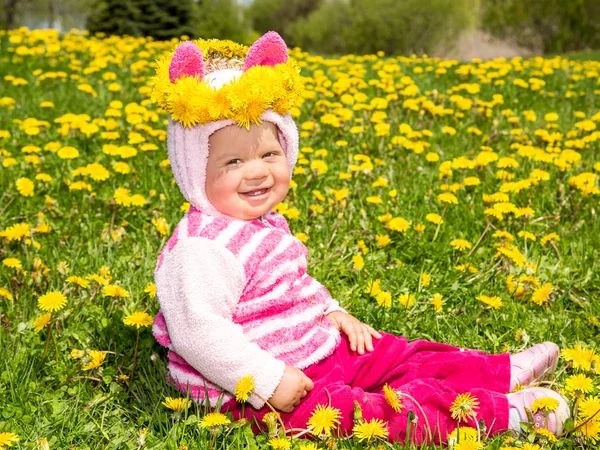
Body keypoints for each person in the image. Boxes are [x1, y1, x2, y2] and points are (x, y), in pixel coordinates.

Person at [150, 31, 570, 443]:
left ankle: (497, 372)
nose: (257, 171)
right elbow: (197, 333)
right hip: (249, 392)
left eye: (269, 154)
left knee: (397, 354)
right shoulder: (201, 249)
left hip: (313, 349)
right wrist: (266, 380)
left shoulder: (260, 222)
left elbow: (292, 285)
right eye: (234, 161)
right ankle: (503, 415)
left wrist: (332, 312)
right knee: (371, 413)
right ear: (194, 170)